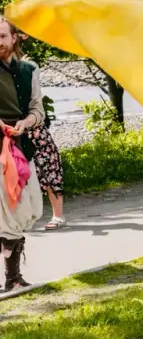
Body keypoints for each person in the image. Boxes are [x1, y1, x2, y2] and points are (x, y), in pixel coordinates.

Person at [0, 17, 44, 290]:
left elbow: (38, 110)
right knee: (11, 213)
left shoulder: (29, 69)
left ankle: (10, 264)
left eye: (3, 36)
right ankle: (13, 279)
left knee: (32, 209)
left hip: (22, 147)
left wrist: (26, 123)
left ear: (14, 38)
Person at [13, 33, 66, 230]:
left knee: (48, 168)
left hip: (34, 128)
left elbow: (36, 103)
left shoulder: (29, 67)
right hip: (15, 128)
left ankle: (58, 215)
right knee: (19, 173)